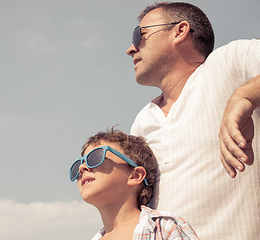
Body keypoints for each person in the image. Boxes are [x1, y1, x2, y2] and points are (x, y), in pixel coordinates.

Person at [126, 2, 260, 239]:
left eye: (140, 34)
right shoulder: (142, 121)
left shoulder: (229, 63)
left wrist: (245, 95)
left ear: (179, 31)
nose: (131, 48)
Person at [69, 128, 199, 239]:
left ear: (135, 176)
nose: (82, 168)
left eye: (96, 158)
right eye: (78, 165)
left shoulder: (164, 228)